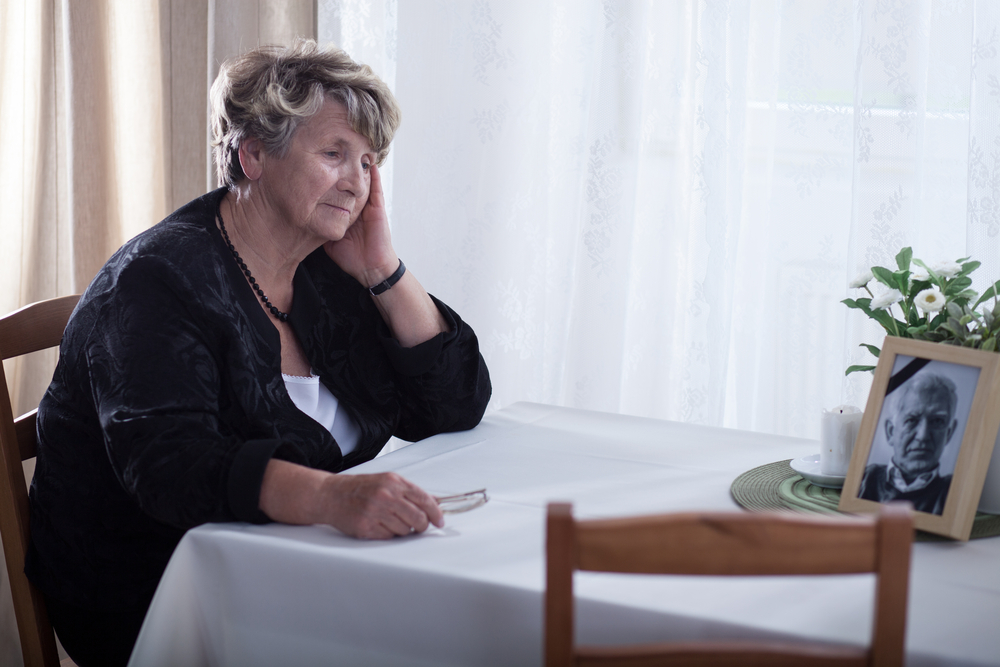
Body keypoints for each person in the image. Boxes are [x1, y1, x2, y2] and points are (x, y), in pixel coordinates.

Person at [25, 40, 491, 667]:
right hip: (167, 596)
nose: (356, 183)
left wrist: (382, 267)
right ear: (252, 156)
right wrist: (331, 499)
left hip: (309, 567)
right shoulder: (155, 281)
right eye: (334, 154)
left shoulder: (326, 268)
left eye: (368, 162)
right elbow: (170, 465)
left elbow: (455, 402)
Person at [859, 371, 958, 515]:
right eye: (911, 420)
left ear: (948, 433)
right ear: (891, 431)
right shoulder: (864, 479)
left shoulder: (955, 493)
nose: (923, 436)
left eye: (937, 421)